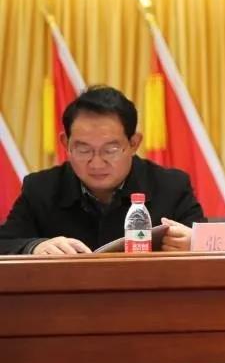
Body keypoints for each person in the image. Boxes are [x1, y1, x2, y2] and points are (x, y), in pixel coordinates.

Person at [0, 85, 205, 255]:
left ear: (134, 143)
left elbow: (212, 243)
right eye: (83, 149)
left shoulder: (171, 187)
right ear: (65, 143)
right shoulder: (41, 188)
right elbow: (5, 242)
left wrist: (195, 244)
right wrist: (34, 247)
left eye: (110, 150)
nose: (96, 163)